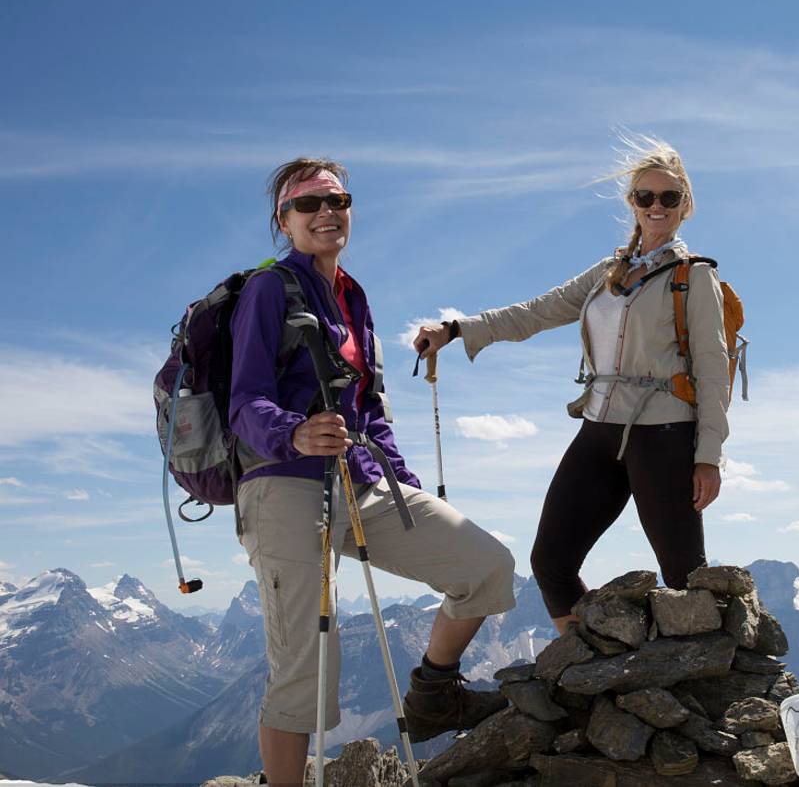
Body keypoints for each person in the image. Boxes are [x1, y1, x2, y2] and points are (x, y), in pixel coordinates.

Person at [230, 158, 516, 785]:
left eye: (338, 200)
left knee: (486, 566)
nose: (327, 213)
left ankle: (433, 693)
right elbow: (244, 402)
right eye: (308, 205)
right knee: (302, 671)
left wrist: (403, 484)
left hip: (362, 479)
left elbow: (370, 407)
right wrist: (296, 432)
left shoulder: (354, 296)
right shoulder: (268, 289)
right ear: (285, 220)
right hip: (284, 484)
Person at [413, 137, 729, 636]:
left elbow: (714, 370)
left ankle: (714, 689)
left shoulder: (694, 278)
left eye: (669, 198)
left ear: (685, 206)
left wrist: (708, 455)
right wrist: (457, 329)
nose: (656, 207)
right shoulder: (609, 272)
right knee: (551, 562)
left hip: (664, 434)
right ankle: (593, 665)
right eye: (645, 197)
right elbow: (540, 310)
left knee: (685, 577)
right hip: (599, 428)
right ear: (632, 203)